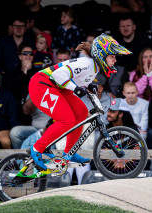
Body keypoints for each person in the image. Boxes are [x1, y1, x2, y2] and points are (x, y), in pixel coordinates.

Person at [28, 33, 132, 170]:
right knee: (67, 120)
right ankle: (36, 149)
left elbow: (76, 79)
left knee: (81, 113)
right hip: (41, 85)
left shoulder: (94, 67)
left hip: (56, 86)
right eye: (112, 56)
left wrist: (87, 86)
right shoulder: (87, 64)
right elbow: (58, 75)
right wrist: (76, 89)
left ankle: (69, 153)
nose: (115, 60)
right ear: (102, 55)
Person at [6, 45, 38, 124]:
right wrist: (24, 72)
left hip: (34, 109)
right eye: (25, 53)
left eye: (31, 54)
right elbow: (11, 88)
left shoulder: (38, 73)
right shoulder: (12, 72)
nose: (28, 56)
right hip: (16, 109)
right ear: (20, 56)